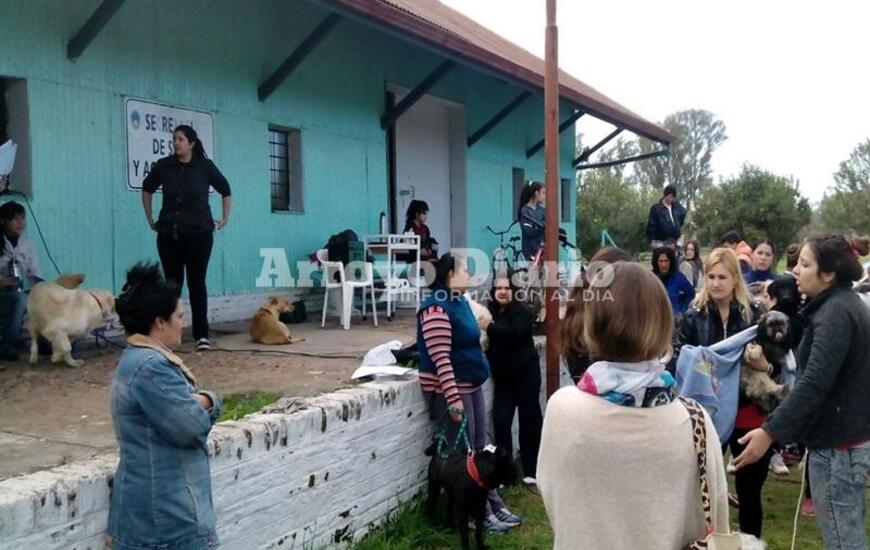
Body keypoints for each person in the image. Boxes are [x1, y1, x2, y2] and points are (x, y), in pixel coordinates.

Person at [538, 262, 729, 549]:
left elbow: (552, 494)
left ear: (593, 323)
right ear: (664, 323)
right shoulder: (694, 420)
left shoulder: (562, 409)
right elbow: (715, 517)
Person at [734, 235, 870, 550]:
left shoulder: (836, 313)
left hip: (840, 450)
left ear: (829, 274)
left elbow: (813, 383)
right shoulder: (839, 305)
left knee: (843, 539)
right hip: (843, 443)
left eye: (805, 264)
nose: (795, 270)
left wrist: (769, 432)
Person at [107, 262, 223, 550]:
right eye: (179, 316)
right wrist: (211, 400)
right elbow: (191, 426)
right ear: (160, 322)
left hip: (152, 517)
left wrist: (201, 402)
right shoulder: (151, 367)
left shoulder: (138, 359)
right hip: (167, 522)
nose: (182, 324)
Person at [416, 254, 522, 533]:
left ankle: (492, 504)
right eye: (464, 269)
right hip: (453, 391)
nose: (469, 274)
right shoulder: (436, 308)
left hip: (472, 384)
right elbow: (441, 360)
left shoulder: (460, 301)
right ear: (450, 274)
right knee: (463, 456)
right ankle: (477, 512)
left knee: (478, 449)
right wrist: (452, 399)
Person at [674, 247, 775, 537]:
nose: (715, 283)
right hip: (709, 412)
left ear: (735, 280)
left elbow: (775, 366)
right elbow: (680, 356)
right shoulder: (695, 314)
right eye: (710, 276)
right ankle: (701, 540)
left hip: (748, 411)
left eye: (722, 276)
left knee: (749, 489)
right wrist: (704, 369)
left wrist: (762, 363)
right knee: (700, 485)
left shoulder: (754, 314)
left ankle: (750, 542)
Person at [141, 125, 232, 351]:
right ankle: (169, 336)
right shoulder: (164, 166)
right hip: (169, 234)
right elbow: (147, 188)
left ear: (191, 143)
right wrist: (150, 218)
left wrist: (224, 218)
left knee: (197, 282)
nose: (176, 143)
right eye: (174, 139)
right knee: (172, 285)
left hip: (199, 234)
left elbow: (225, 189)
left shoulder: (204, 166)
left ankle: (202, 335)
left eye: (180, 139)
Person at [485, 271, 543, 486]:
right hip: (503, 379)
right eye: (498, 288)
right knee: (501, 421)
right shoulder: (490, 313)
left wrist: (489, 328)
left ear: (514, 292)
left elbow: (514, 334)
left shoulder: (523, 313)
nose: (502, 292)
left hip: (526, 375)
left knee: (529, 420)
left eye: (507, 288)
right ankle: (505, 473)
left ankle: (531, 470)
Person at [0, 201, 43, 362]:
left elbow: (36, 273)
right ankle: (7, 346)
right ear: (3, 221)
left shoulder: (27, 244)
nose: (20, 223)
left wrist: (38, 288)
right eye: (15, 219)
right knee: (19, 299)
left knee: (43, 296)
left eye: (22, 219)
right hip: (3, 296)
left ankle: (46, 342)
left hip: (19, 293)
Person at [651, 246, 695, 319]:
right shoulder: (651, 278)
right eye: (661, 261)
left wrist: (682, 311)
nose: (663, 265)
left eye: (666, 261)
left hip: (674, 321)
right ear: (656, 262)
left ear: (671, 262)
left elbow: (691, 294)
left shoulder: (678, 277)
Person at [646, 184, 687, 249]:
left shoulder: (677, 206)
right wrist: (652, 239)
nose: (671, 199)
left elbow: (683, 214)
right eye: (670, 197)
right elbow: (651, 225)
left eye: (673, 197)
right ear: (665, 195)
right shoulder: (656, 208)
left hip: (675, 243)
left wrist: (678, 225)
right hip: (661, 243)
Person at [517, 181, 545, 261]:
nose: (545, 196)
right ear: (536, 193)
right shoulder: (525, 211)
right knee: (533, 272)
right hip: (530, 251)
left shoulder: (542, 210)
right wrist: (542, 229)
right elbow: (528, 231)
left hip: (543, 250)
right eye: (543, 193)